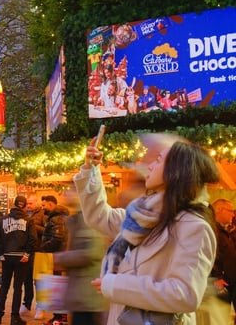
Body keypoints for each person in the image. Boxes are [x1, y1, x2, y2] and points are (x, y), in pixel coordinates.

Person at [74, 139, 219, 325]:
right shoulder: (143, 214)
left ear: (176, 171)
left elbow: (185, 294)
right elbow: (100, 216)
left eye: (158, 160)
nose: (149, 166)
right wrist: (90, 169)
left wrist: (116, 285)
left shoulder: (193, 227)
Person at [53, 188, 106, 325]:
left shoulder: (88, 218)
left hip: (87, 294)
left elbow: (91, 253)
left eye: (72, 190)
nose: (66, 193)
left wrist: (60, 258)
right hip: (80, 293)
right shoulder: (77, 217)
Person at [0, 196, 39, 325]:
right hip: (21, 257)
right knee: (18, 288)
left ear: (13, 204)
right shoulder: (28, 220)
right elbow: (33, 239)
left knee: (4, 286)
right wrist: (27, 253)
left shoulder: (1, 220)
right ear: (23, 206)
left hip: (6, 256)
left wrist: (0, 254)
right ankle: (14, 317)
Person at [40, 194, 69, 325]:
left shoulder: (56, 219)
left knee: (57, 287)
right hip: (59, 256)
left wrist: (42, 247)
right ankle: (58, 316)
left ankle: (60, 318)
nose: (42, 207)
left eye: (44, 205)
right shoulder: (58, 217)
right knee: (57, 286)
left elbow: (57, 238)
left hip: (57, 255)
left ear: (51, 205)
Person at [209, 198, 236, 323]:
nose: (233, 214)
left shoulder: (224, 231)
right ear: (220, 210)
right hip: (219, 284)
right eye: (230, 211)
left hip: (229, 282)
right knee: (219, 318)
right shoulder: (212, 230)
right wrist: (217, 277)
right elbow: (210, 255)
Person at [19, 195, 46, 318]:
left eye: (30, 203)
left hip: (39, 251)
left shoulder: (42, 214)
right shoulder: (24, 215)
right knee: (27, 279)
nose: (28, 205)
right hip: (27, 251)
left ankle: (40, 306)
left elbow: (46, 231)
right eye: (27, 203)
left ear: (37, 203)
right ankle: (27, 304)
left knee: (39, 281)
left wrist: (32, 226)